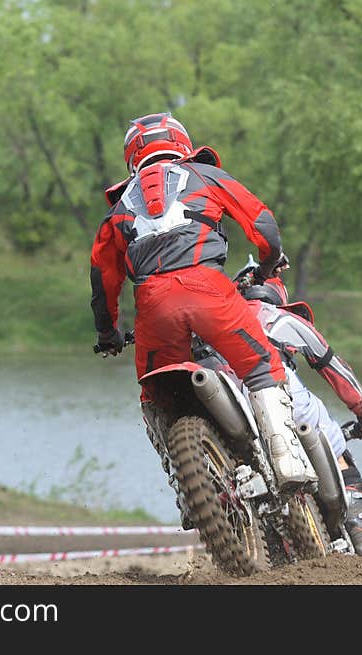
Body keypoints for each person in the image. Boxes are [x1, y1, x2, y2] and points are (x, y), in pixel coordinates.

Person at [89, 112, 315, 488]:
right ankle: (287, 462)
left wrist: (108, 332)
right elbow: (260, 221)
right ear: (182, 143)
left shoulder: (116, 211)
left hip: (152, 305)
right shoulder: (203, 175)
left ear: (132, 156)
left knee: (156, 395)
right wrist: (270, 259)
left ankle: (184, 484)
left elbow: (102, 280)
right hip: (209, 290)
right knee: (261, 367)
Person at [235, 271, 362, 560]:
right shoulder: (279, 318)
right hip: (278, 392)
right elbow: (334, 369)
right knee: (337, 448)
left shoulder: (218, 318)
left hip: (234, 406)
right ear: (277, 299)